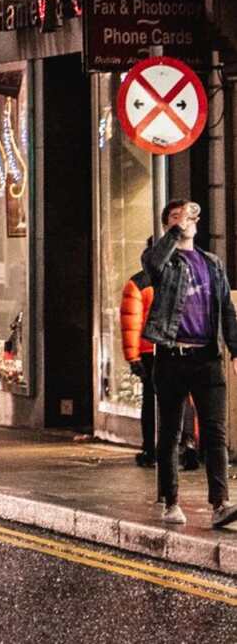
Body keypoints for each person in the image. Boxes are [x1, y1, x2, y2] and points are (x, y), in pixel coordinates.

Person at [141, 200, 237, 528]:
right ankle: (170, 502)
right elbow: (153, 264)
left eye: (188, 216)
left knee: (215, 432)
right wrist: (174, 230)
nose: (184, 221)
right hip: (171, 358)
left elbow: (226, 309)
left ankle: (221, 504)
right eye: (175, 216)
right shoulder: (163, 260)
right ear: (167, 225)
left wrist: (235, 350)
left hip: (206, 358)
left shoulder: (212, 263)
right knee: (170, 433)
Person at [121, 245, 201, 472]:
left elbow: (131, 321)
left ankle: (151, 449)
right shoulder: (186, 278)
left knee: (152, 400)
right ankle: (188, 446)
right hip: (181, 347)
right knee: (185, 398)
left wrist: (133, 357)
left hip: (150, 352)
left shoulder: (139, 282)